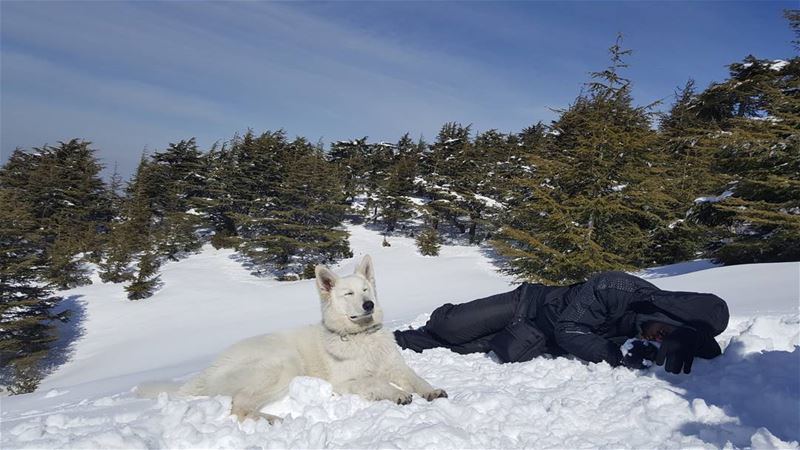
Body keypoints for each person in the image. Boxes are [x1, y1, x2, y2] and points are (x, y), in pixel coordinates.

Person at [394, 271, 729, 374]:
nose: (658, 338)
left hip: (537, 334)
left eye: (665, 339)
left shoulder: (653, 328)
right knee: (450, 326)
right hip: (526, 304)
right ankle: (441, 314)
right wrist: (617, 354)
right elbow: (570, 331)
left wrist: (692, 339)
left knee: (462, 346)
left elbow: (710, 346)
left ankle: (397, 340)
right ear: (664, 311)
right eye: (664, 331)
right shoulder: (617, 287)